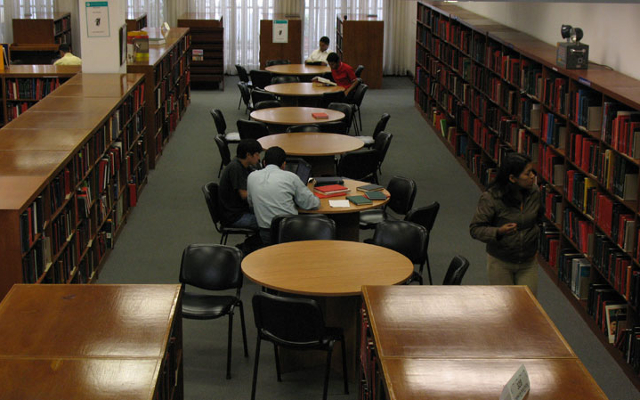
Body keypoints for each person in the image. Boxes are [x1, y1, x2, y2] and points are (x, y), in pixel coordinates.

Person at [469, 152, 543, 296]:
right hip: (501, 262)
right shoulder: (491, 198)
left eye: (533, 172)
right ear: (512, 178)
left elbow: (538, 217)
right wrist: (498, 232)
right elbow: (475, 229)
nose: (533, 176)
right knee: (505, 310)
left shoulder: (535, 192)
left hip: (528, 261)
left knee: (528, 308)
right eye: (527, 174)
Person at [247, 146, 320, 245]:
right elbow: (312, 204)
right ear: (284, 165)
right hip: (290, 231)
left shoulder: (251, 177)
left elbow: (251, 203)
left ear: (264, 163)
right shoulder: (291, 177)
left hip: (265, 234)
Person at [218, 139, 263, 230]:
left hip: (240, 209)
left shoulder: (243, 165)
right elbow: (244, 195)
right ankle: (256, 244)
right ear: (248, 155)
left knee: (269, 214)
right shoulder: (236, 168)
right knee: (267, 223)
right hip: (234, 216)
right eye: (257, 154)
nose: (259, 158)